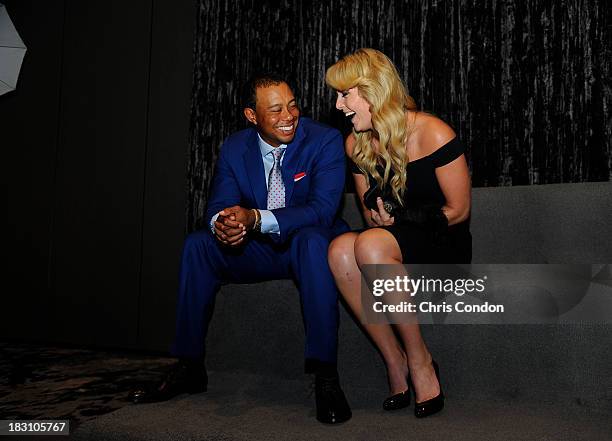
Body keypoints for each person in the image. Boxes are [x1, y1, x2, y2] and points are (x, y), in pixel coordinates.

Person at [129, 73, 352, 425]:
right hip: (259, 250)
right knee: (198, 245)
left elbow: (322, 211)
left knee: (312, 241)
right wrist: (226, 224)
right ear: (252, 116)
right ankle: (189, 365)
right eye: (276, 109)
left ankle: (326, 375)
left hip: (307, 246)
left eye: (292, 104)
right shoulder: (235, 147)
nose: (289, 115)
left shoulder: (324, 140)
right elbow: (218, 203)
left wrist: (254, 218)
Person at [325, 48, 472, 418]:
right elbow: (371, 216)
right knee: (340, 250)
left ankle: (421, 361)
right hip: (390, 242)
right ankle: (396, 362)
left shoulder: (432, 132)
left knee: (371, 245)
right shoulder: (355, 144)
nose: (339, 106)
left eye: (345, 95)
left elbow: (459, 211)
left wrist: (405, 217)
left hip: (442, 241)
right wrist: (382, 217)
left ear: (373, 91)